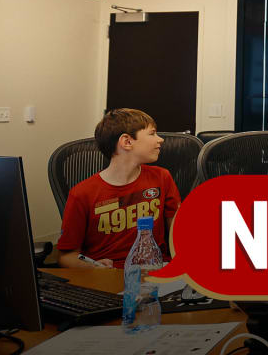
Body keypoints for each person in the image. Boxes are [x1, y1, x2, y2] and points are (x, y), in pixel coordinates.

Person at [58, 108, 180, 268]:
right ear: (127, 142)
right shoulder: (82, 194)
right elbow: (66, 257)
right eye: (152, 133)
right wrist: (93, 267)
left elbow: (178, 235)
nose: (160, 140)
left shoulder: (162, 177)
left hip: (155, 270)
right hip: (109, 277)